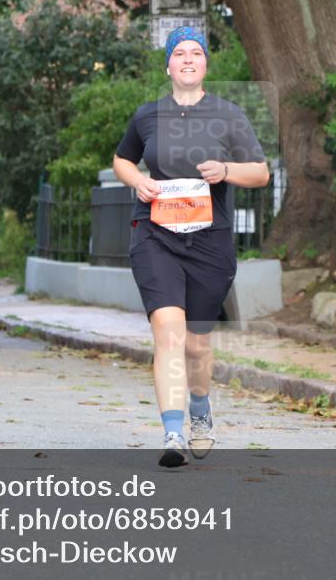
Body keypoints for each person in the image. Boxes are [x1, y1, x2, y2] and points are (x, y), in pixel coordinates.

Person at [112, 26, 270, 467]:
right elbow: (122, 159)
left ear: (205, 64)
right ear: (168, 65)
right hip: (155, 235)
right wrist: (138, 180)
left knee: (197, 345)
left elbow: (261, 172)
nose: (187, 59)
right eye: (179, 53)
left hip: (209, 243)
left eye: (195, 53)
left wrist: (226, 170)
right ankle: (173, 433)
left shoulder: (228, 116)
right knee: (169, 333)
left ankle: (200, 408)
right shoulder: (147, 116)